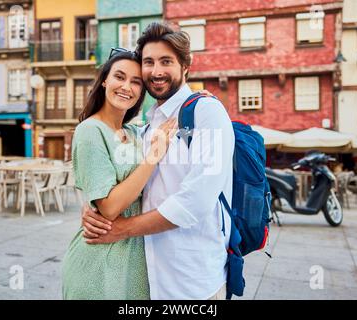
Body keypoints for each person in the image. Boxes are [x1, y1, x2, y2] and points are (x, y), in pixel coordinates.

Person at [81, 22, 235, 300]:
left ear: (185, 67)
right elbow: (124, 179)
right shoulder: (148, 125)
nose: (156, 71)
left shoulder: (207, 113)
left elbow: (196, 202)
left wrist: (121, 230)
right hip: (146, 278)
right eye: (149, 62)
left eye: (166, 61)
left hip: (191, 283)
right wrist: (93, 207)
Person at [61, 50, 177, 300]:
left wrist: (201, 98)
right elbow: (110, 207)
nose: (127, 87)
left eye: (136, 82)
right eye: (120, 77)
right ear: (105, 80)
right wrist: (153, 157)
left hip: (134, 259)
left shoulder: (135, 133)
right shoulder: (90, 131)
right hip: (99, 264)